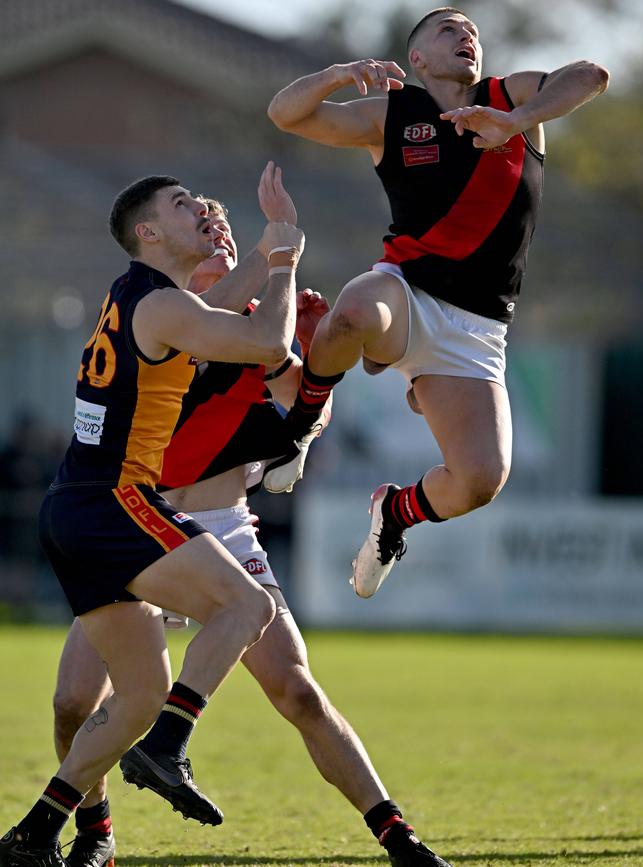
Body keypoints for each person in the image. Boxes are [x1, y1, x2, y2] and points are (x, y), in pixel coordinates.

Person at [51, 199, 453, 867]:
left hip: (222, 527)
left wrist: (320, 376)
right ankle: (95, 831)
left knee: (297, 688)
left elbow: (300, 407)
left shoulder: (263, 322)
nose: (218, 239)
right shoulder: (170, 313)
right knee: (72, 701)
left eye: (225, 232)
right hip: (139, 524)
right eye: (202, 228)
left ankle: (398, 836)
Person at [0, 163, 304, 867]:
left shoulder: (145, 297)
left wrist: (260, 254)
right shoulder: (161, 305)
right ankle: (169, 744)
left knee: (137, 692)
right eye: (180, 203)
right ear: (149, 232)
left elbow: (213, 316)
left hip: (73, 506)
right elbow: (267, 347)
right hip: (114, 501)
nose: (197, 207)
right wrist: (285, 263)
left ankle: (43, 832)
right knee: (248, 606)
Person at [267, 7, 610, 597]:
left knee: (479, 480)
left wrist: (516, 121)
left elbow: (593, 73)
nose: (465, 35)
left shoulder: (514, 96)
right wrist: (339, 74)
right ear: (418, 58)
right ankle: (301, 424)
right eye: (447, 29)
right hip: (406, 290)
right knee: (353, 309)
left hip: (477, 327)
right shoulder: (393, 115)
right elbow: (285, 114)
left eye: (471, 30)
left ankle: (394, 514)